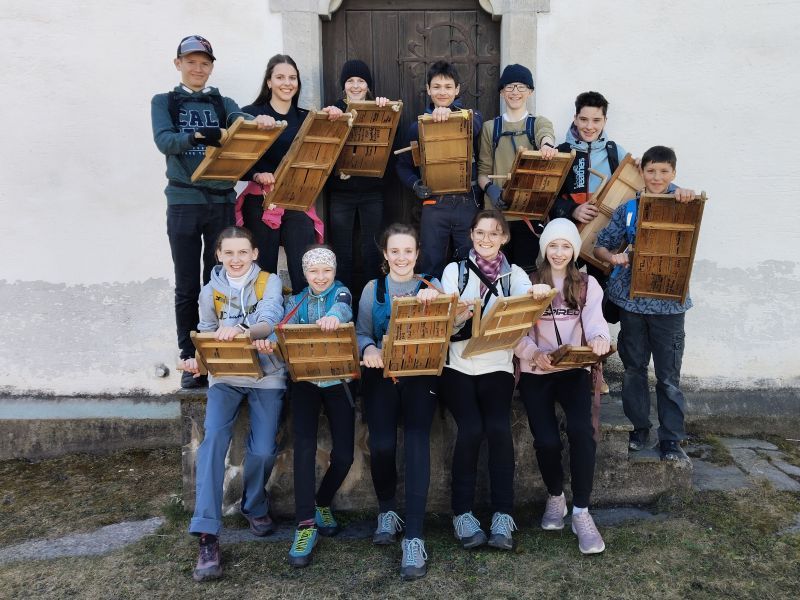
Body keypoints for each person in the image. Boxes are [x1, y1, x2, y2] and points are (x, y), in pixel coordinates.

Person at [151, 35, 277, 388]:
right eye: (191, 61)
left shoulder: (223, 102)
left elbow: (240, 121)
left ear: (211, 67)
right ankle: (191, 359)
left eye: (204, 63)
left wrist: (259, 122)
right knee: (187, 284)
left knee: (218, 281)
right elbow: (164, 140)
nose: (198, 68)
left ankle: (220, 355)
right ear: (178, 64)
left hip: (221, 201)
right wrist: (197, 136)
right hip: (184, 201)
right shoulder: (164, 101)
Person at [437, 209, 547, 551]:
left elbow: (527, 311)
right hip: (457, 364)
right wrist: (459, 315)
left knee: (498, 428)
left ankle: (503, 514)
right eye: (480, 232)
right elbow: (444, 325)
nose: (486, 239)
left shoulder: (516, 276)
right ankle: (462, 513)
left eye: (494, 233)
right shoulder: (454, 271)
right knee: (471, 428)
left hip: (497, 364)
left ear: (505, 237)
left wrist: (538, 294)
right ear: (471, 234)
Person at [182, 226, 286, 582]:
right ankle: (207, 535)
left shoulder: (269, 282)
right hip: (225, 376)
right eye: (229, 253)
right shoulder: (209, 291)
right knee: (212, 443)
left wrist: (243, 330)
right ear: (219, 256)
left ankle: (253, 504)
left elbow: (269, 319)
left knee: (263, 450)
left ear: (254, 253)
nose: (236, 259)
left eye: (243, 252)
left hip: (266, 374)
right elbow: (205, 330)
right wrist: (199, 358)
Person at [515, 218, 611, 555]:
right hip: (537, 370)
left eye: (566, 246)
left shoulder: (587, 284)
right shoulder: (526, 282)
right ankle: (556, 496)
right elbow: (516, 332)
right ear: (544, 249)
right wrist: (533, 353)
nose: (559, 252)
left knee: (582, 431)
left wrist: (600, 339)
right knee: (546, 440)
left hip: (573, 369)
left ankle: (582, 511)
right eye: (553, 245)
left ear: (574, 250)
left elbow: (596, 323)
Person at [593, 145, 695, 462]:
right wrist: (613, 257)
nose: (657, 177)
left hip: (669, 304)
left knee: (668, 377)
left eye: (664, 171)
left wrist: (685, 193)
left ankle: (671, 439)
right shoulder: (628, 208)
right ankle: (638, 428)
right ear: (642, 172)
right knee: (634, 370)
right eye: (651, 170)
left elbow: (690, 203)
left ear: (674, 173)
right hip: (632, 303)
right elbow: (600, 247)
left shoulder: (684, 203)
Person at [355, 223, 441, 580]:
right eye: (395, 251)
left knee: (417, 441)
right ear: (385, 254)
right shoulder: (372, 289)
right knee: (382, 444)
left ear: (417, 253)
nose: (402, 257)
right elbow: (361, 331)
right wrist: (368, 349)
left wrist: (438, 306)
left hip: (421, 372)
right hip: (382, 373)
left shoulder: (431, 286)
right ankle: (388, 510)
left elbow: (449, 327)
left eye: (408, 251)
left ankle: (415, 536)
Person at [238, 54, 343, 294]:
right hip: (261, 201)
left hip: (296, 200)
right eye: (280, 77)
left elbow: (325, 150)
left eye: (292, 78)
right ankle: (264, 316)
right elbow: (238, 160)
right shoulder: (250, 114)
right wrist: (256, 174)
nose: (287, 83)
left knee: (304, 268)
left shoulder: (307, 118)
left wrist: (332, 117)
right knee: (262, 271)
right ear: (269, 82)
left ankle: (304, 314)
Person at [279, 246, 355, 568]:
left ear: (334, 271)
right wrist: (270, 339)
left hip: (338, 381)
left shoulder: (342, 292)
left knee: (345, 455)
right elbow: (281, 328)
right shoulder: (295, 301)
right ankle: (306, 524)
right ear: (304, 273)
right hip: (305, 382)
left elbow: (343, 308)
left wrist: (333, 318)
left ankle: (322, 501)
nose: (320, 277)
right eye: (313, 271)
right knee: (304, 449)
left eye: (326, 270)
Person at [395, 60, 483, 279]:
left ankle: (469, 302)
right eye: (436, 86)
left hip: (467, 201)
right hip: (434, 203)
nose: (442, 92)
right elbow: (402, 165)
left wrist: (449, 114)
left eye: (448, 87)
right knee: (431, 263)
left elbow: (475, 125)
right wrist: (415, 184)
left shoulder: (472, 116)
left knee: (471, 264)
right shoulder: (417, 127)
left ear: (457, 90)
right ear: (428, 89)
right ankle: (432, 299)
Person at [478, 64, 557, 273]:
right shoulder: (490, 128)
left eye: (521, 87)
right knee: (494, 273)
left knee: (526, 273)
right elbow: (483, 171)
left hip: (528, 214)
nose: (515, 92)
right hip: (497, 216)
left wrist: (547, 146)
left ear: (530, 91)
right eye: (510, 86)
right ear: (502, 92)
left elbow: (546, 134)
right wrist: (491, 190)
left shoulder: (537, 123)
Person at [326, 60, 390, 295]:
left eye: (361, 81)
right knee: (342, 250)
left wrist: (385, 108)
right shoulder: (334, 110)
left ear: (368, 85)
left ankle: (372, 300)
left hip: (372, 192)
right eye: (350, 81)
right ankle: (342, 301)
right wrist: (328, 115)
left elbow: (390, 135)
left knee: (372, 249)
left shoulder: (378, 108)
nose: (355, 86)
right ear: (343, 85)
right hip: (341, 193)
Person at [551, 91, 627, 229]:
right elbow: (543, 199)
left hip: (605, 235)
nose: (589, 127)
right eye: (583, 119)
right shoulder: (560, 152)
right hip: (567, 235)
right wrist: (572, 210)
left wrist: (642, 167)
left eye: (596, 120)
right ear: (575, 119)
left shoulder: (616, 152)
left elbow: (640, 191)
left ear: (605, 121)